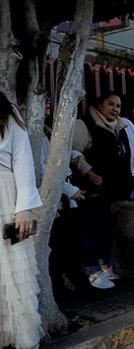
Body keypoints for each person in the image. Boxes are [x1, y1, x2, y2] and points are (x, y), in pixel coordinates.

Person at [72, 92, 133, 289]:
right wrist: (90, 173)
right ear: (99, 105)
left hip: (117, 189)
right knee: (92, 228)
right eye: (111, 104)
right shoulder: (84, 124)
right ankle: (91, 269)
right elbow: (73, 152)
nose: (115, 108)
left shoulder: (120, 126)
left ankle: (105, 265)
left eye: (118, 105)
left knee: (109, 228)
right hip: (94, 189)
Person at [0, 91, 44, 349]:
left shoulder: (8, 114)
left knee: (12, 272)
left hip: (5, 195)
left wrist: (23, 208)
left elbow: (23, 160)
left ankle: (19, 341)